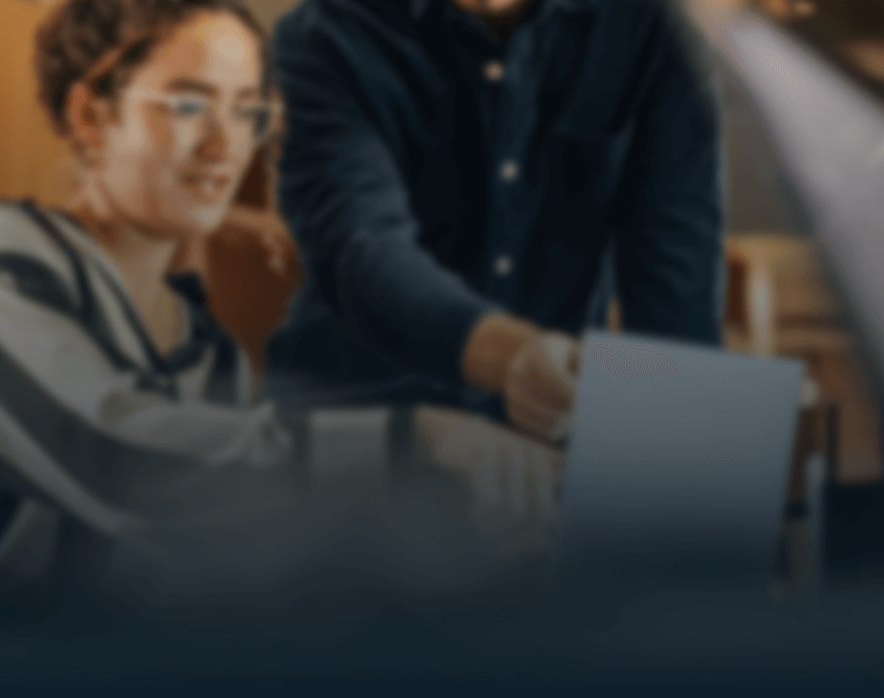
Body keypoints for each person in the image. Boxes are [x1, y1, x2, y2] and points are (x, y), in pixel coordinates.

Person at [0, 0, 561, 618]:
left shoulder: (209, 348)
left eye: (248, 112)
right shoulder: (5, 252)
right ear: (90, 116)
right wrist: (410, 444)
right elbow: (118, 459)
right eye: (189, 105)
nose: (226, 146)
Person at [264, 0, 726, 442]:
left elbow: (675, 295)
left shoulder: (654, 31)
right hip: (363, 431)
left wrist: (680, 481)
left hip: (546, 438)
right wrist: (511, 357)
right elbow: (362, 250)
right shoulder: (324, 36)